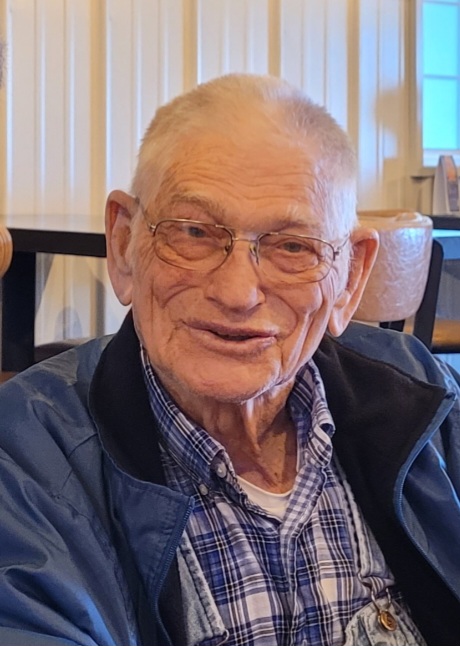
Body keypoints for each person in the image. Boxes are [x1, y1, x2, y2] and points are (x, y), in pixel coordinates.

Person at [0, 73, 459, 646]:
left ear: (349, 279)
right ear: (123, 245)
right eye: (193, 232)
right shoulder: (24, 458)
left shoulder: (423, 398)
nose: (237, 292)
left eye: (293, 246)